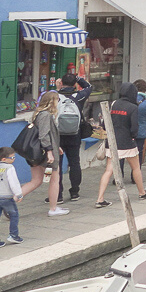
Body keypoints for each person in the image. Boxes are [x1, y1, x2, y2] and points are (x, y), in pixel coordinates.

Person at [95, 83, 146, 206]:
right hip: (127, 142)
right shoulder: (133, 107)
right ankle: (142, 192)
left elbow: (106, 123)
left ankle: (100, 199)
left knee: (108, 170)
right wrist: (133, 137)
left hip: (112, 141)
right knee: (136, 167)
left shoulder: (114, 104)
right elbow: (134, 128)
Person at [19, 92, 67, 217]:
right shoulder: (46, 115)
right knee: (55, 180)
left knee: (36, 180)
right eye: (57, 100)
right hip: (45, 154)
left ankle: (12, 200)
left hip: (35, 153)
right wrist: (50, 151)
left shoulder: (37, 113)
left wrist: (57, 146)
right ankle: (53, 208)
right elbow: (44, 135)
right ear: (52, 101)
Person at [54, 74, 90, 204]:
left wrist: (58, 88)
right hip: (75, 135)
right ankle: (75, 192)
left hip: (58, 135)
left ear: (61, 82)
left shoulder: (56, 96)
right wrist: (78, 78)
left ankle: (57, 194)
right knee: (74, 163)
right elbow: (89, 86)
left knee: (57, 165)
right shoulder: (79, 96)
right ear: (74, 84)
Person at [0, 147, 22, 249]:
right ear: (4, 159)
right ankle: (14, 235)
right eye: (12, 157)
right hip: (6, 197)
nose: (14, 159)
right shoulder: (9, 168)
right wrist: (18, 194)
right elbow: (13, 182)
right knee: (14, 215)